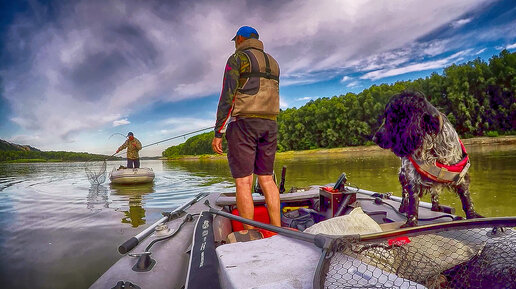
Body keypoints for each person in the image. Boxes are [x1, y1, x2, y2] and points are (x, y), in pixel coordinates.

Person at [212, 26, 281, 228]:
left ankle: (250, 233)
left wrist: (218, 131)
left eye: (236, 40)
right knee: (267, 179)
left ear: (240, 38)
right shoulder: (273, 62)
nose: (235, 44)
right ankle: (277, 228)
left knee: (244, 182)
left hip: (244, 124)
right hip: (270, 124)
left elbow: (227, 96)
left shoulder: (237, 59)